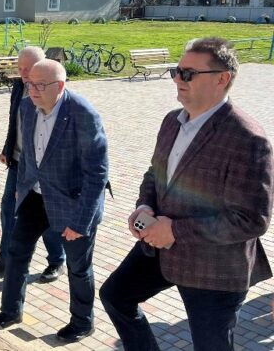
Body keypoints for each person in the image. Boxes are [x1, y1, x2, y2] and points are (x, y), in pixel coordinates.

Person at [100, 38, 273, 351]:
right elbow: (155, 173)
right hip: (160, 249)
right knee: (115, 296)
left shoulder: (248, 139)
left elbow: (251, 220)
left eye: (188, 74)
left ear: (222, 79)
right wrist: (144, 206)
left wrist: (174, 231)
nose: (178, 79)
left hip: (214, 267)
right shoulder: (172, 121)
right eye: (176, 71)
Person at [0, 60, 108, 344]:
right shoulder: (27, 106)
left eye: (41, 85)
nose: (33, 90)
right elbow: (27, 155)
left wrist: (81, 222)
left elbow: (97, 174)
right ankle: (11, 310)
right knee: (16, 250)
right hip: (35, 195)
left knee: (78, 267)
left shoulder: (83, 114)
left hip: (72, 203)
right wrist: (21, 188)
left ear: (61, 86)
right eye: (30, 83)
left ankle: (82, 322)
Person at [0, 46, 66, 282]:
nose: (23, 74)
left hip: (42, 169)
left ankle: (57, 260)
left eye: (27, 69)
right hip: (18, 162)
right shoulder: (20, 87)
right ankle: (5, 259)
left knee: (45, 215)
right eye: (19, 68)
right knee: (8, 209)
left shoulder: (53, 92)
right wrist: (7, 148)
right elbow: (14, 121)